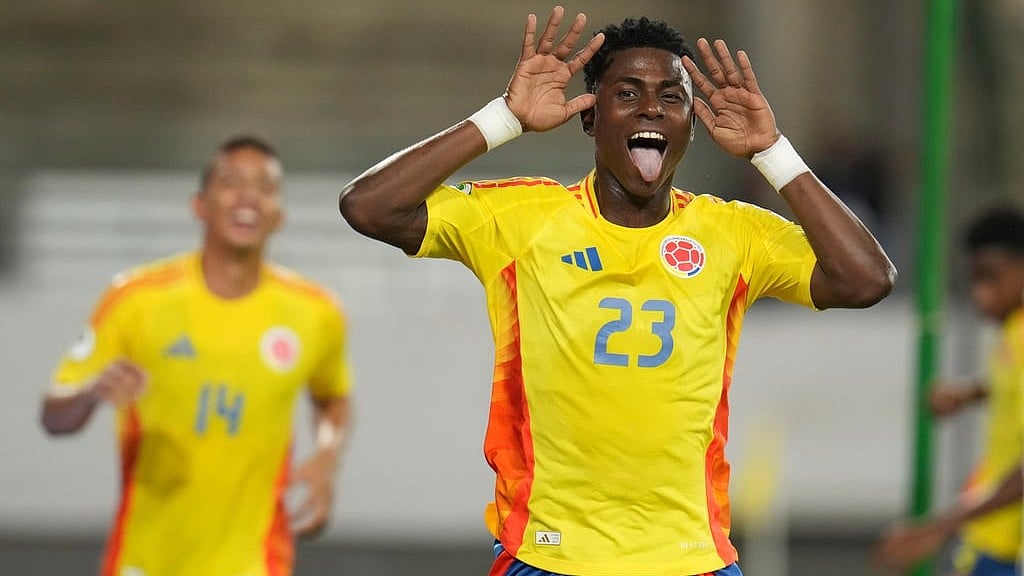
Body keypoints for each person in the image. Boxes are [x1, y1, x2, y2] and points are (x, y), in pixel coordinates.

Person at [339, 7, 894, 576]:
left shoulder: (734, 233)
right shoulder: (522, 219)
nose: (651, 107)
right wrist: (503, 118)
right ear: (589, 118)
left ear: (691, 124)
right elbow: (368, 207)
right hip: (548, 554)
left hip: (690, 557)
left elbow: (867, 280)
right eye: (627, 94)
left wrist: (772, 151)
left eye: (670, 96)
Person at [41, 135, 353, 576]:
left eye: (264, 186)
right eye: (231, 182)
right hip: (145, 560)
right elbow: (54, 416)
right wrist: (91, 393)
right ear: (199, 205)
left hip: (256, 562)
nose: (248, 196)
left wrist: (326, 457)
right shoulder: (134, 300)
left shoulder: (316, 312)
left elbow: (332, 396)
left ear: (279, 214)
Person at [876, 207, 1024, 576]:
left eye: (992, 278)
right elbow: (1011, 387)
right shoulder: (1011, 332)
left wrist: (940, 526)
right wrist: (969, 395)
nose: (980, 295)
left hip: (1008, 546)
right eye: (975, 280)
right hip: (990, 535)